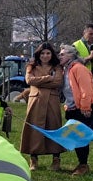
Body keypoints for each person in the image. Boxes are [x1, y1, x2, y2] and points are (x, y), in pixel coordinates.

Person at [20, 41, 65, 171]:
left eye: (48, 53)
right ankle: (33, 159)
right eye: (43, 53)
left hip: (52, 101)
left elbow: (57, 82)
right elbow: (29, 80)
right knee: (34, 128)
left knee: (54, 127)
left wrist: (39, 82)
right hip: (36, 100)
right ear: (38, 54)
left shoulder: (57, 67)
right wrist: (47, 78)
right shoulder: (31, 66)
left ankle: (56, 159)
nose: (45, 56)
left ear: (52, 54)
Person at [60, 43, 93, 176]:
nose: (60, 56)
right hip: (72, 107)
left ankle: (83, 165)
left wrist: (85, 107)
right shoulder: (67, 69)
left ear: (71, 55)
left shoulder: (79, 68)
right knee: (75, 136)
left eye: (62, 54)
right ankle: (81, 163)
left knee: (79, 137)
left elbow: (86, 89)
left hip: (82, 108)